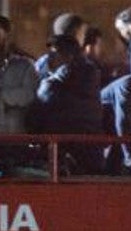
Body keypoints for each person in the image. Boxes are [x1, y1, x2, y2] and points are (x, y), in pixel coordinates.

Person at [33, 34, 104, 174]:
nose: (50, 59)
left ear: (68, 56)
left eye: (54, 54)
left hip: (66, 148)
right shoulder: (91, 73)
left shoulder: (57, 81)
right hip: (91, 145)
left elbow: (42, 101)